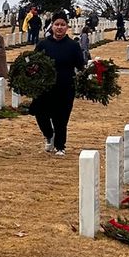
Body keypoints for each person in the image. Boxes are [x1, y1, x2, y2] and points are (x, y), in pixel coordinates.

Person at [32, 11, 86, 156]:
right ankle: (49, 135)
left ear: (67, 27)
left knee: (61, 118)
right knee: (40, 114)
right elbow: (34, 64)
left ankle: (60, 146)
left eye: (62, 24)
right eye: (57, 24)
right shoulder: (43, 44)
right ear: (52, 26)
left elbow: (81, 65)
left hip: (65, 87)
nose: (59, 27)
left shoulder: (73, 46)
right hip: (45, 87)